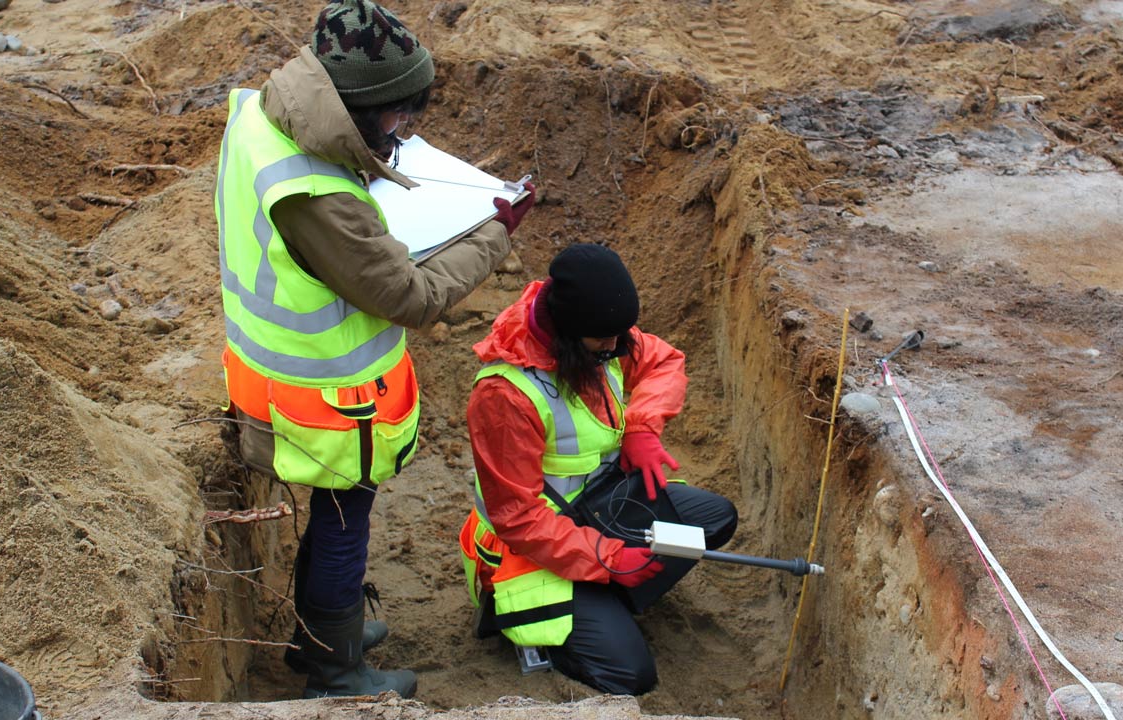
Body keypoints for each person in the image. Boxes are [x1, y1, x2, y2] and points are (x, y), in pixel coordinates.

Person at [213, 0, 534, 699]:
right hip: (324, 398)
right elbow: (411, 298)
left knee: (338, 521)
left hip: (269, 367)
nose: (403, 132)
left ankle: (328, 632)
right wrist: (495, 229)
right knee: (341, 522)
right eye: (395, 118)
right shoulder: (317, 193)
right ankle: (334, 669)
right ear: (355, 107)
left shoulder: (265, 118)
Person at [457, 243, 738, 695]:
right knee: (631, 676)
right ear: (567, 333)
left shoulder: (601, 336)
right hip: (536, 544)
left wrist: (642, 429)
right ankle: (551, 620)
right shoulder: (504, 394)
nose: (616, 348)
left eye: (619, 336)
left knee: (712, 521)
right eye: (604, 341)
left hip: (604, 504)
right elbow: (518, 517)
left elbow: (663, 361)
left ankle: (604, 599)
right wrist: (607, 558)